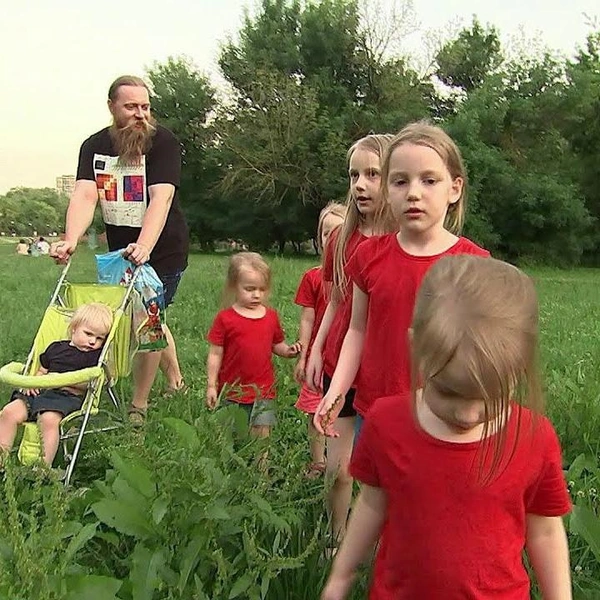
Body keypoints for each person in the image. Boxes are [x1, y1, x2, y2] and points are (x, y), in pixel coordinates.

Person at [321, 255, 572, 600]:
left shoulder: (533, 437)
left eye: (490, 397)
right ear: (417, 349)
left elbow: (543, 529)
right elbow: (372, 505)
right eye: (449, 392)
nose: (468, 415)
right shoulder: (387, 422)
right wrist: (341, 575)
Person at [314, 122, 489, 440]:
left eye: (429, 180)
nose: (413, 193)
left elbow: (485, 349)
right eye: (400, 181)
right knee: (373, 489)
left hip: (441, 414)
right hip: (375, 410)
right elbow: (357, 329)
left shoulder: (473, 263)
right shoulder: (367, 256)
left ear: (455, 188)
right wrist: (337, 391)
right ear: (388, 189)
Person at [49, 75, 189, 424]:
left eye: (145, 107)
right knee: (150, 315)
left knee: (147, 320)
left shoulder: (163, 142)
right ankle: (176, 380)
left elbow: (162, 197)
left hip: (164, 248)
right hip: (121, 253)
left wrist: (145, 245)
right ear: (112, 107)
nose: (140, 114)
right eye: (131, 107)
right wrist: (70, 238)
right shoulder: (94, 146)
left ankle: (138, 405)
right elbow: (84, 194)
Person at [305, 133, 395, 547]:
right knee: (339, 470)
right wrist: (317, 349)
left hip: (388, 370)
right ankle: (336, 536)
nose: (360, 184)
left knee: (385, 469)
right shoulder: (343, 240)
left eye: (372, 174)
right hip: (340, 364)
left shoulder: (405, 242)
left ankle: (383, 541)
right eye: (354, 174)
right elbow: (335, 302)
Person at [0, 303, 113, 466]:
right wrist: (33, 383)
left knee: (48, 420)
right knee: (9, 412)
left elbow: (91, 383)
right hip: (42, 392)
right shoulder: (55, 348)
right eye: (88, 334)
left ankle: (43, 466)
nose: (92, 341)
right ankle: (2, 458)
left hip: (66, 398)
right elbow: (41, 371)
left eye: (99, 338)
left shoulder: (94, 358)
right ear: (74, 328)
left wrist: (63, 380)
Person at [205, 252, 301, 438]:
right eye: (249, 289)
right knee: (230, 433)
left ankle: (261, 466)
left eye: (261, 289)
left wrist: (289, 351)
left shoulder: (270, 317)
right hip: (232, 390)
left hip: (263, 390)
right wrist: (211, 384)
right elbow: (215, 353)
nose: (256, 294)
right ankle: (232, 464)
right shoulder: (225, 319)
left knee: (262, 432)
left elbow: (277, 344)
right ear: (234, 286)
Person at [293, 202, 346, 478]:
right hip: (318, 357)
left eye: (338, 232)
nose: (332, 239)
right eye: (326, 234)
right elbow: (307, 319)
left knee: (342, 411)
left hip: (345, 359)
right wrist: (303, 354)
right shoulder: (313, 277)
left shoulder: (355, 278)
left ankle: (342, 460)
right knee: (314, 409)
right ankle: (318, 461)